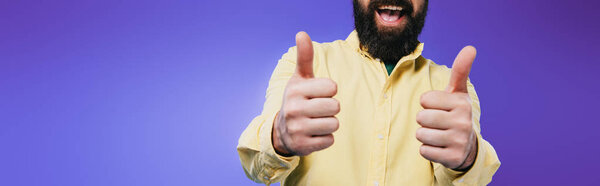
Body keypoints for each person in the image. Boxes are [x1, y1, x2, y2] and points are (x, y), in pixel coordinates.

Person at [237, 0, 500, 185]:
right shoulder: (304, 65)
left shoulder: (453, 88)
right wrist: (278, 138)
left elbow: (471, 180)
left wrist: (468, 158)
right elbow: (258, 166)